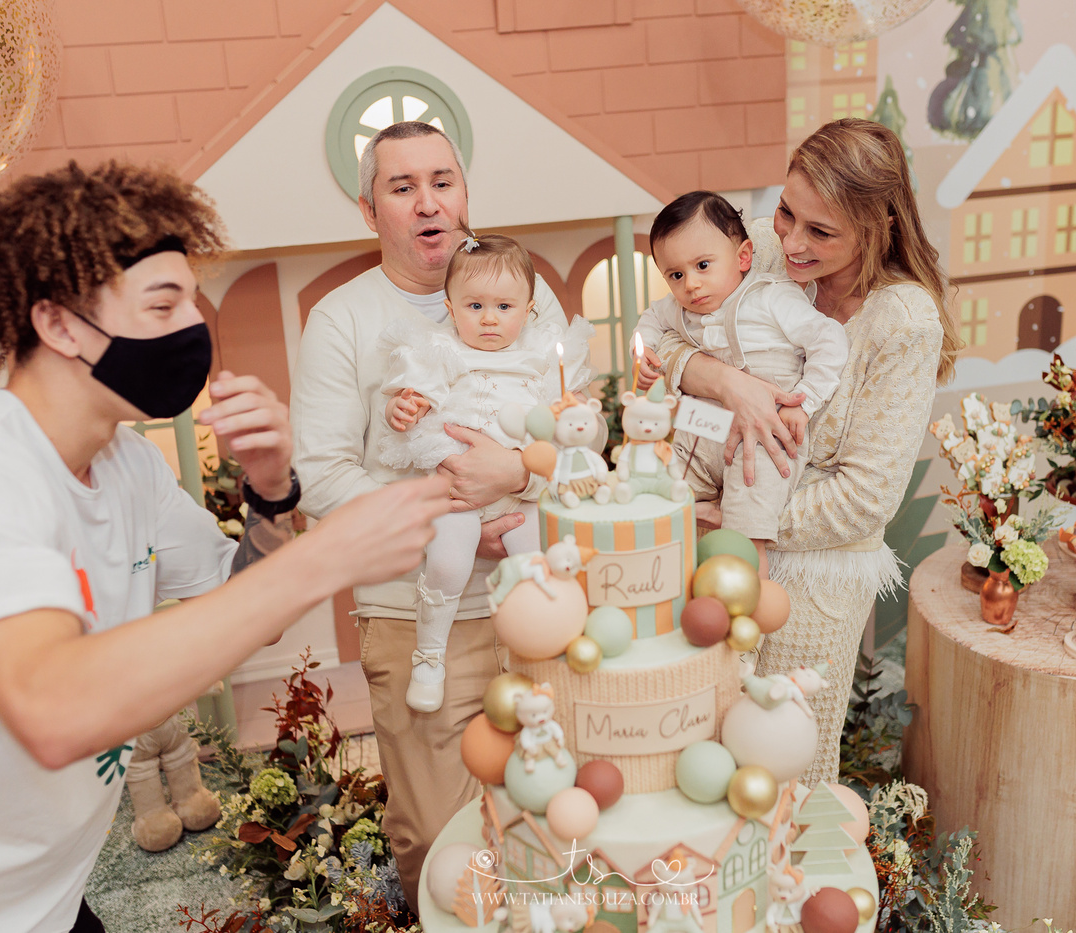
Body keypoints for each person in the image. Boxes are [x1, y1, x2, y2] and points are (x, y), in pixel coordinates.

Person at [0, 161, 449, 933]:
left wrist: (271, 490)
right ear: (59, 325)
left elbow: (246, 608)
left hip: (49, 897)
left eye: (191, 299)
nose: (193, 324)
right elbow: (51, 708)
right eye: (163, 304)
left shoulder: (130, 464)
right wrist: (329, 555)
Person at [290, 121, 584, 912]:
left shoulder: (528, 298)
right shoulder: (343, 319)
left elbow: (581, 434)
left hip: (539, 597)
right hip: (414, 612)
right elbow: (321, 474)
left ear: (465, 192)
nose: (428, 202)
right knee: (440, 838)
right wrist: (445, 518)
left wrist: (516, 471)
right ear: (369, 210)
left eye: (442, 181)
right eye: (402, 186)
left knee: (554, 809)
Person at [642, 120, 961, 783]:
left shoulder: (902, 322)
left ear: (876, 228)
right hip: (709, 546)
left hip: (811, 584)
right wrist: (727, 382)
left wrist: (738, 521)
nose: (790, 240)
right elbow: (665, 336)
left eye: (820, 231)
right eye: (787, 211)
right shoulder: (754, 247)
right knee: (692, 753)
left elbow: (866, 498)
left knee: (781, 768)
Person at [380, 232, 593, 712]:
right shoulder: (439, 351)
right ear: (451, 308)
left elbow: (571, 424)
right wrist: (402, 408)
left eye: (504, 306)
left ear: (529, 309)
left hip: (522, 492)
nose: (489, 318)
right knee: (447, 564)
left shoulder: (543, 356)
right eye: (474, 306)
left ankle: (547, 653)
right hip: (456, 491)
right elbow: (407, 399)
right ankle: (429, 656)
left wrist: (572, 411)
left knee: (539, 568)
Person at [635, 190, 848, 579]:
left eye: (703, 265)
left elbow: (829, 339)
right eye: (676, 275)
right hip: (701, 431)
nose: (691, 285)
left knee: (746, 533)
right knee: (658, 496)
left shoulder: (771, 297)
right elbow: (650, 320)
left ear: (743, 257)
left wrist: (804, 404)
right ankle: (662, 580)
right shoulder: (677, 308)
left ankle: (752, 595)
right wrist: (644, 352)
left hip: (766, 436)